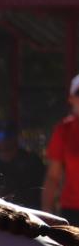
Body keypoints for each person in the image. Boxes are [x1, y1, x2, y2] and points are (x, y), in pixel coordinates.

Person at [0, 122, 46, 208]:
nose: (4, 140)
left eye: (9, 135)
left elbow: (41, 188)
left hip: (28, 209)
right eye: (0, 136)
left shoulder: (31, 160)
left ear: (16, 137)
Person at [44, 75, 79, 226]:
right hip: (73, 212)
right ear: (71, 98)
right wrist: (46, 218)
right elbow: (53, 177)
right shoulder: (64, 130)